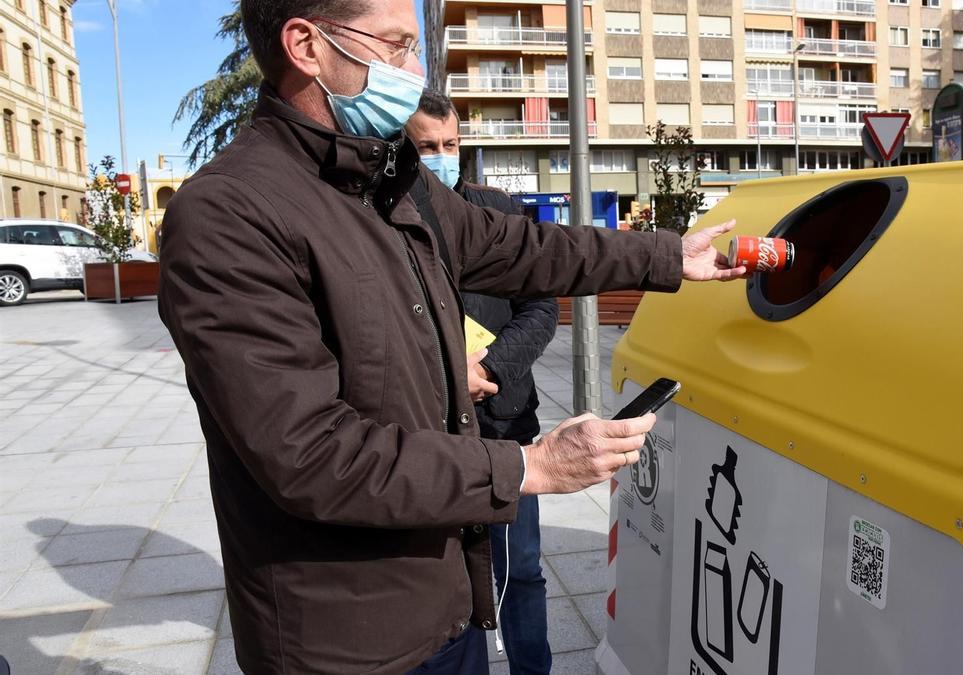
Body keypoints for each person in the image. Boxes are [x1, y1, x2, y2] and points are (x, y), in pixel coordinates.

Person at [157, 1, 746, 673]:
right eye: (398, 45)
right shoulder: (228, 216)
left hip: (448, 606)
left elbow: (523, 247)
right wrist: (529, 466)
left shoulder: (387, 181)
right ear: (306, 45)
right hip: (346, 641)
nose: (415, 69)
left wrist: (668, 258)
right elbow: (311, 455)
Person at [407, 90, 558, 674]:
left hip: (506, 423)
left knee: (520, 569)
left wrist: (490, 368)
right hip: (433, 430)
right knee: (444, 580)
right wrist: (447, 377)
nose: (442, 157)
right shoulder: (381, 221)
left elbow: (540, 307)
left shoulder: (497, 211)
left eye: (451, 145)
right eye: (427, 147)